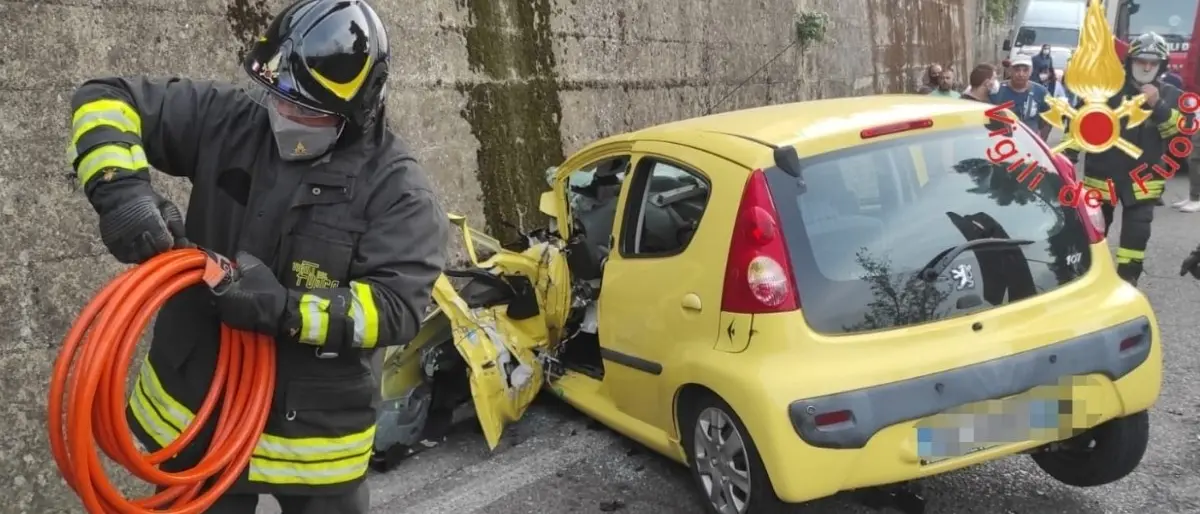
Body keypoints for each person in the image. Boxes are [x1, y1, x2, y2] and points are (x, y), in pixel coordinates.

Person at [65, 0, 450, 512]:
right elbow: (105, 98)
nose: (283, 115)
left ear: (357, 112)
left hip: (314, 445)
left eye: (306, 108)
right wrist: (120, 190)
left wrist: (284, 309)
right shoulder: (233, 121)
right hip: (197, 418)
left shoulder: (398, 191)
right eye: (277, 96)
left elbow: (394, 308)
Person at [1071, 32, 1183, 285]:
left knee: (1136, 237)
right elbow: (1080, 125)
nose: (1146, 67)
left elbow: (1179, 134)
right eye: (1141, 60)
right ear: (1130, 61)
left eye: (1153, 63)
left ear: (1161, 66)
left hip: (1144, 182)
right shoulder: (1105, 91)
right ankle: (1086, 280)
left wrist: (1159, 105)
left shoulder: (1171, 94)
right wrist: (1068, 156)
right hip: (1102, 176)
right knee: (1091, 231)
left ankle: (1126, 282)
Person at [990, 56, 1053, 140]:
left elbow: (1049, 119)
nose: (1021, 74)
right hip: (1001, 143)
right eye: (1017, 70)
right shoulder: (996, 90)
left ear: (1031, 71)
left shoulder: (1041, 92)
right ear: (1010, 71)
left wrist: (1041, 140)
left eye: (1025, 70)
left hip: (1029, 143)